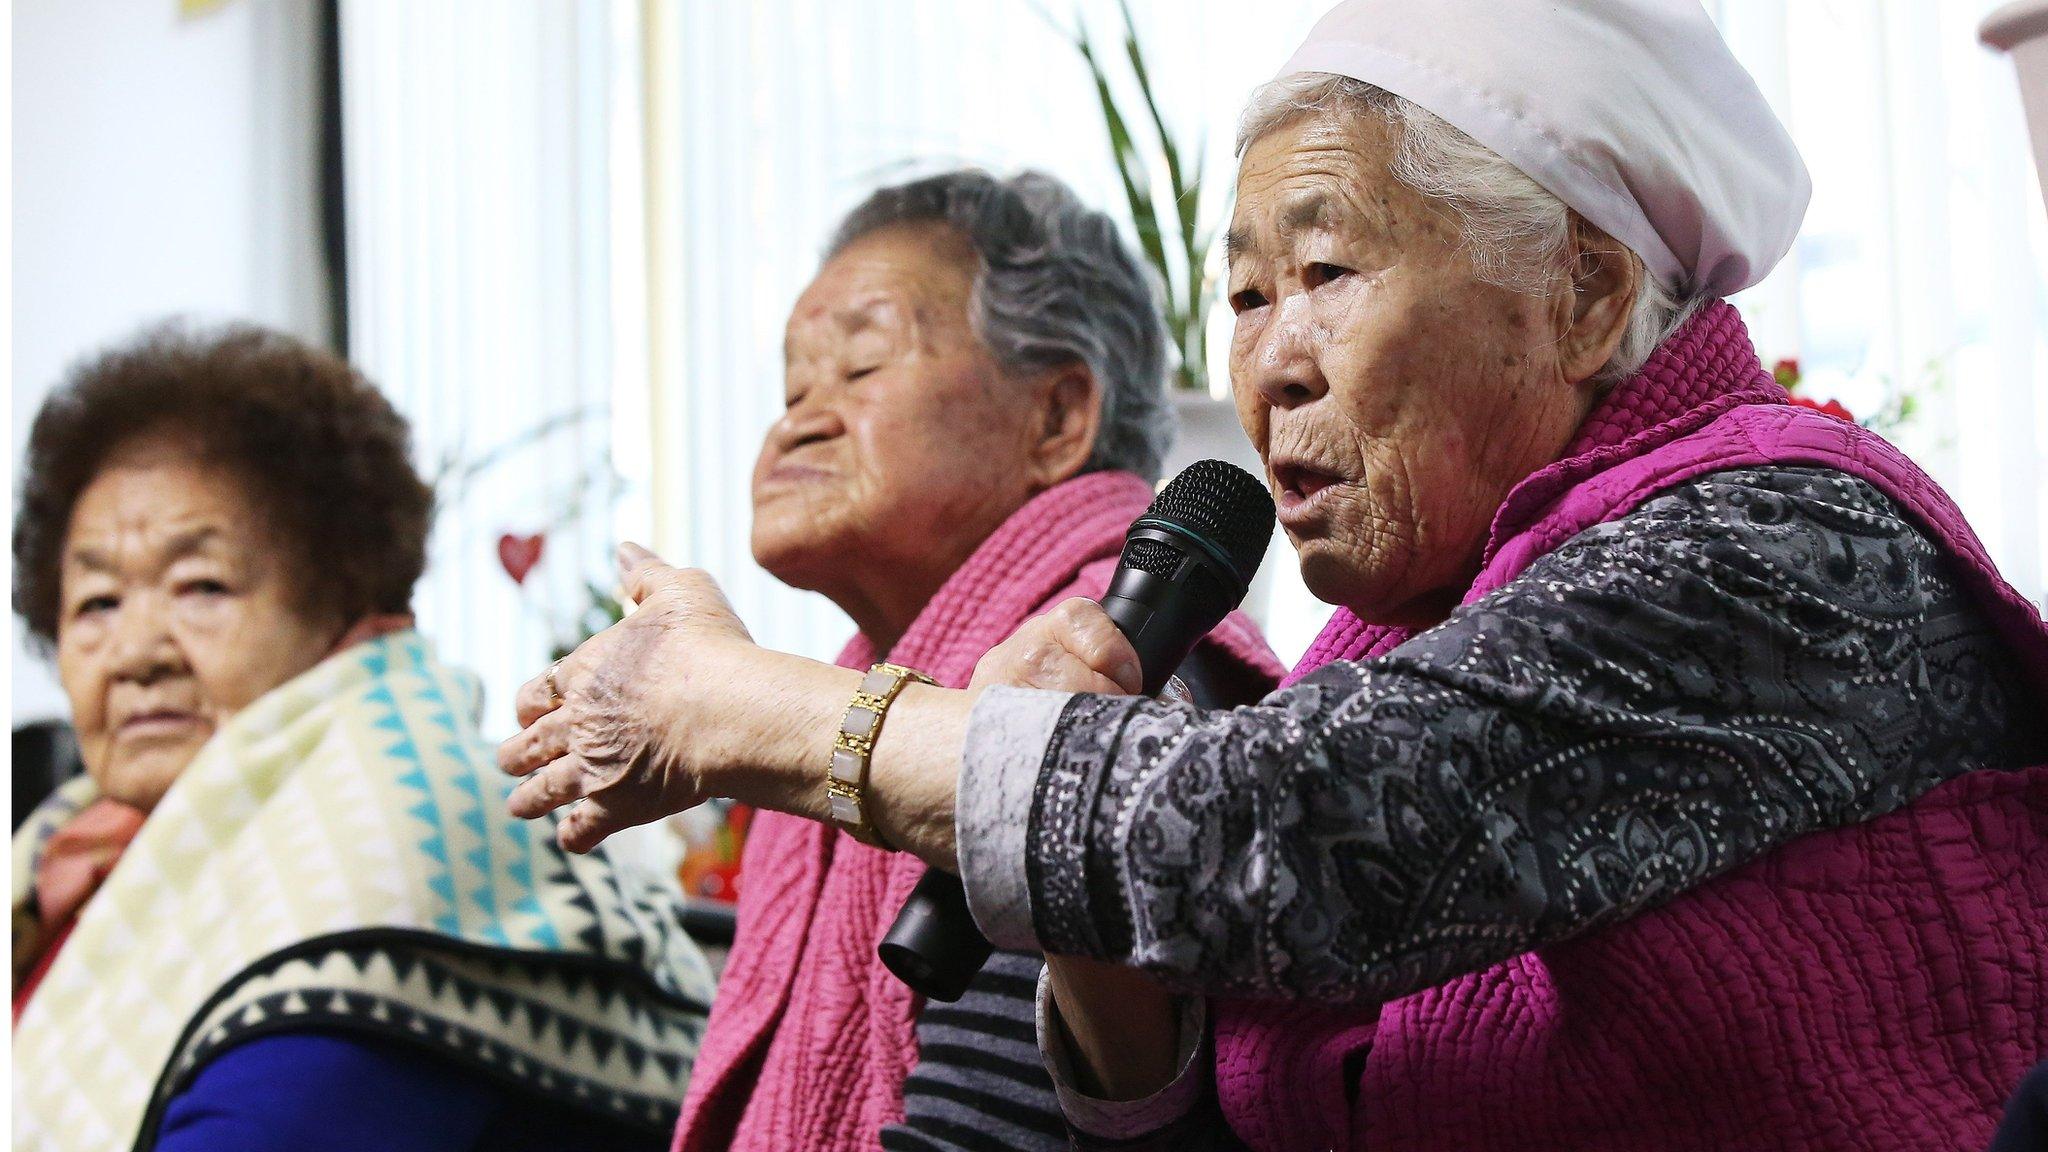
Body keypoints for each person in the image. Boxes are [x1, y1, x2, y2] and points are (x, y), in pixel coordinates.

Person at [500, 1, 2048, 1148]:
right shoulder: (1379, 649)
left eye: (1323, 273)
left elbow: (1288, 839)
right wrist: (1096, 954)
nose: (1268, 369)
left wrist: (744, 712)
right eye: (1240, 296)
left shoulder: (1789, 550)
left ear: (1580, 293)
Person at [667, 170, 1281, 1152]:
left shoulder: (1115, 674)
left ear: (1055, 418)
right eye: (791, 385)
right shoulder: (857, 674)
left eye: (860, 369)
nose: (798, 418)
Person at [12, 324, 714, 1152]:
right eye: (95, 603)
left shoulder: (384, 862)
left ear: (343, 604)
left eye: (200, 586)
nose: (135, 655)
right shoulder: (67, 846)